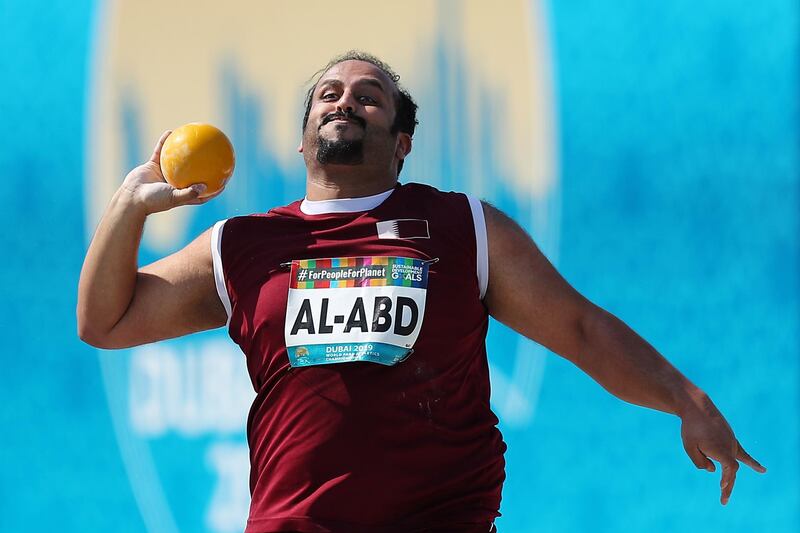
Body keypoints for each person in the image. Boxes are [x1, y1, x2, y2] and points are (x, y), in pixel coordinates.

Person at [77, 51, 765, 532]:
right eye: (329, 94)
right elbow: (106, 321)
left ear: (401, 142)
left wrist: (685, 397)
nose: (345, 100)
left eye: (368, 97)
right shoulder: (243, 244)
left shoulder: (462, 225)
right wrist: (129, 206)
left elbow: (581, 328)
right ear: (301, 139)